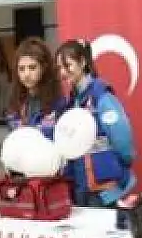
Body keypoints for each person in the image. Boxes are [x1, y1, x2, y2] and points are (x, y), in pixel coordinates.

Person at [54, 39, 136, 208]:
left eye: (67, 65)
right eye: (59, 68)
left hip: (105, 191)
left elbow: (123, 140)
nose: (62, 72)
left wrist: (121, 167)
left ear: (83, 62)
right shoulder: (70, 103)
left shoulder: (102, 98)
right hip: (80, 188)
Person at [6, 37, 61, 139]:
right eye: (21, 69)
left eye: (32, 67)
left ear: (44, 67)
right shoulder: (15, 102)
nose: (26, 74)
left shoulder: (58, 102)